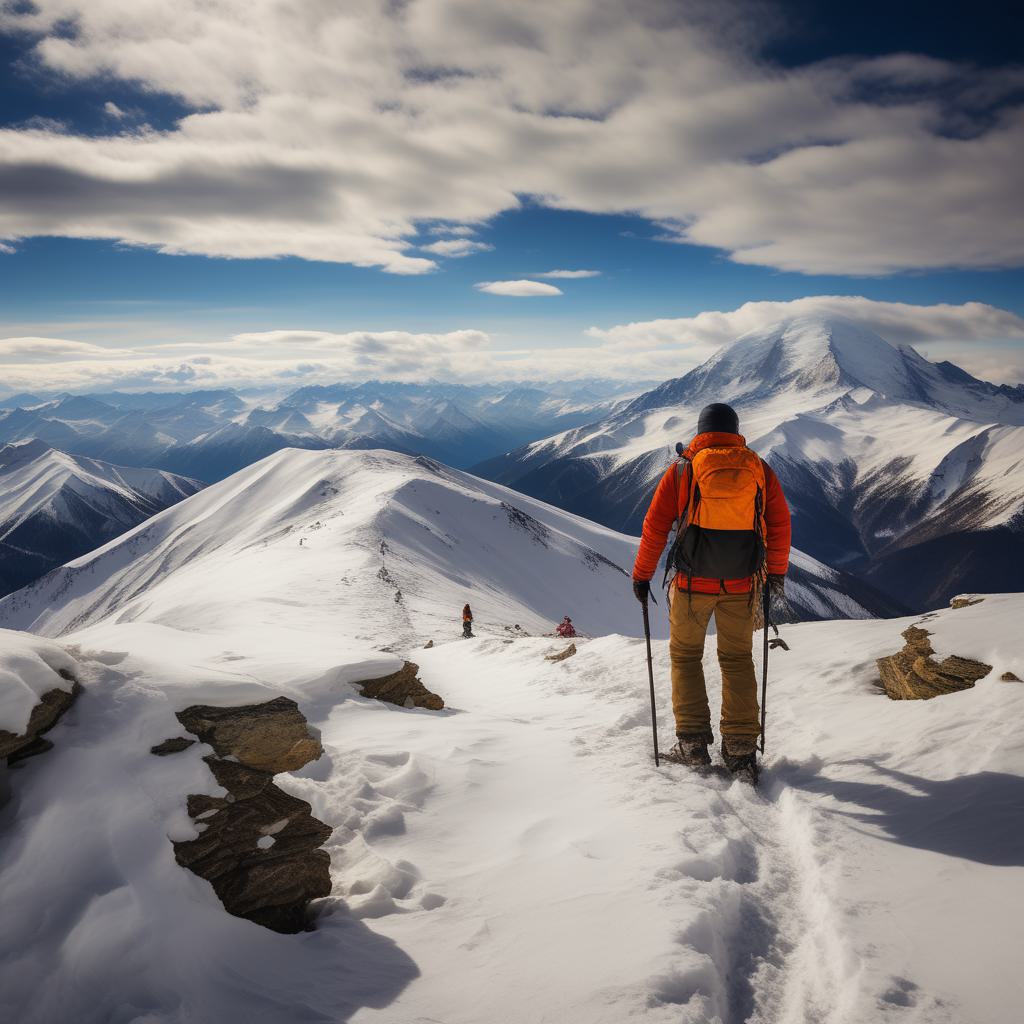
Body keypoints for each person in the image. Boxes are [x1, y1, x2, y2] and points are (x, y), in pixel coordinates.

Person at [631, 402, 791, 777]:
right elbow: (780, 524)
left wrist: (642, 576)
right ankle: (739, 747)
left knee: (685, 656)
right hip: (743, 582)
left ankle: (692, 743)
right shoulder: (758, 469)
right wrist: (775, 575)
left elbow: (654, 528)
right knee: (736, 660)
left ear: (700, 431)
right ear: (735, 431)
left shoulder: (683, 471)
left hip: (690, 583)